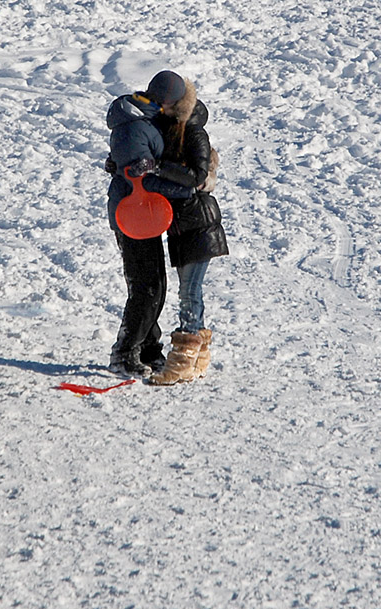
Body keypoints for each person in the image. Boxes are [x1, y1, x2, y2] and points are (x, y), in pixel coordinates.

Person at [105, 70, 201, 376]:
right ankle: (124, 352)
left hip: (142, 215)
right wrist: (184, 189)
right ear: (166, 102)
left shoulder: (144, 119)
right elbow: (141, 179)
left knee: (154, 285)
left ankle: (148, 348)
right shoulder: (135, 127)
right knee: (146, 288)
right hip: (132, 214)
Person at [146, 76, 229, 385]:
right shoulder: (170, 127)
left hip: (198, 223)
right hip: (183, 223)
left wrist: (157, 168)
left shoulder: (193, 132)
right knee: (192, 291)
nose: (158, 106)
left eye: (162, 101)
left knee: (189, 292)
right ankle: (199, 357)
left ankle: (182, 360)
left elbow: (196, 175)